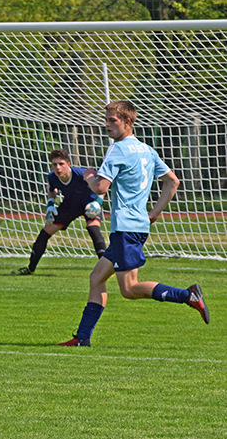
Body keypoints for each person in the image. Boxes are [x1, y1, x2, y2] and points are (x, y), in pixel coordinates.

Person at [60, 100, 210, 347]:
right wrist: (153, 214)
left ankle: (187, 295)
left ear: (128, 122)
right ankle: (82, 338)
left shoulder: (117, 149)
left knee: (128, 289)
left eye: (112, 121)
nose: (107, 125)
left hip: (126, 228)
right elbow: (173, 182)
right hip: (137, 226)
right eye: (106, 120)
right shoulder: (147, 150)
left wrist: (88, 176)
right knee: (97, 277)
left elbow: (100, 187)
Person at [12, 149, 106, 275]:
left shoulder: (81, 174)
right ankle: (30, 268)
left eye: (61, 164)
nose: (58, 167)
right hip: (70, 205)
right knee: (45, 232)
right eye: (55, 164)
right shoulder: (52, 176)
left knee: (93, 229)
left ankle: (106, 270)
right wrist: (51, 204)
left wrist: (97, 202)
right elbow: (52, 190)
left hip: (89, 203)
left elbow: (101, 186)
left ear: (68, 165)